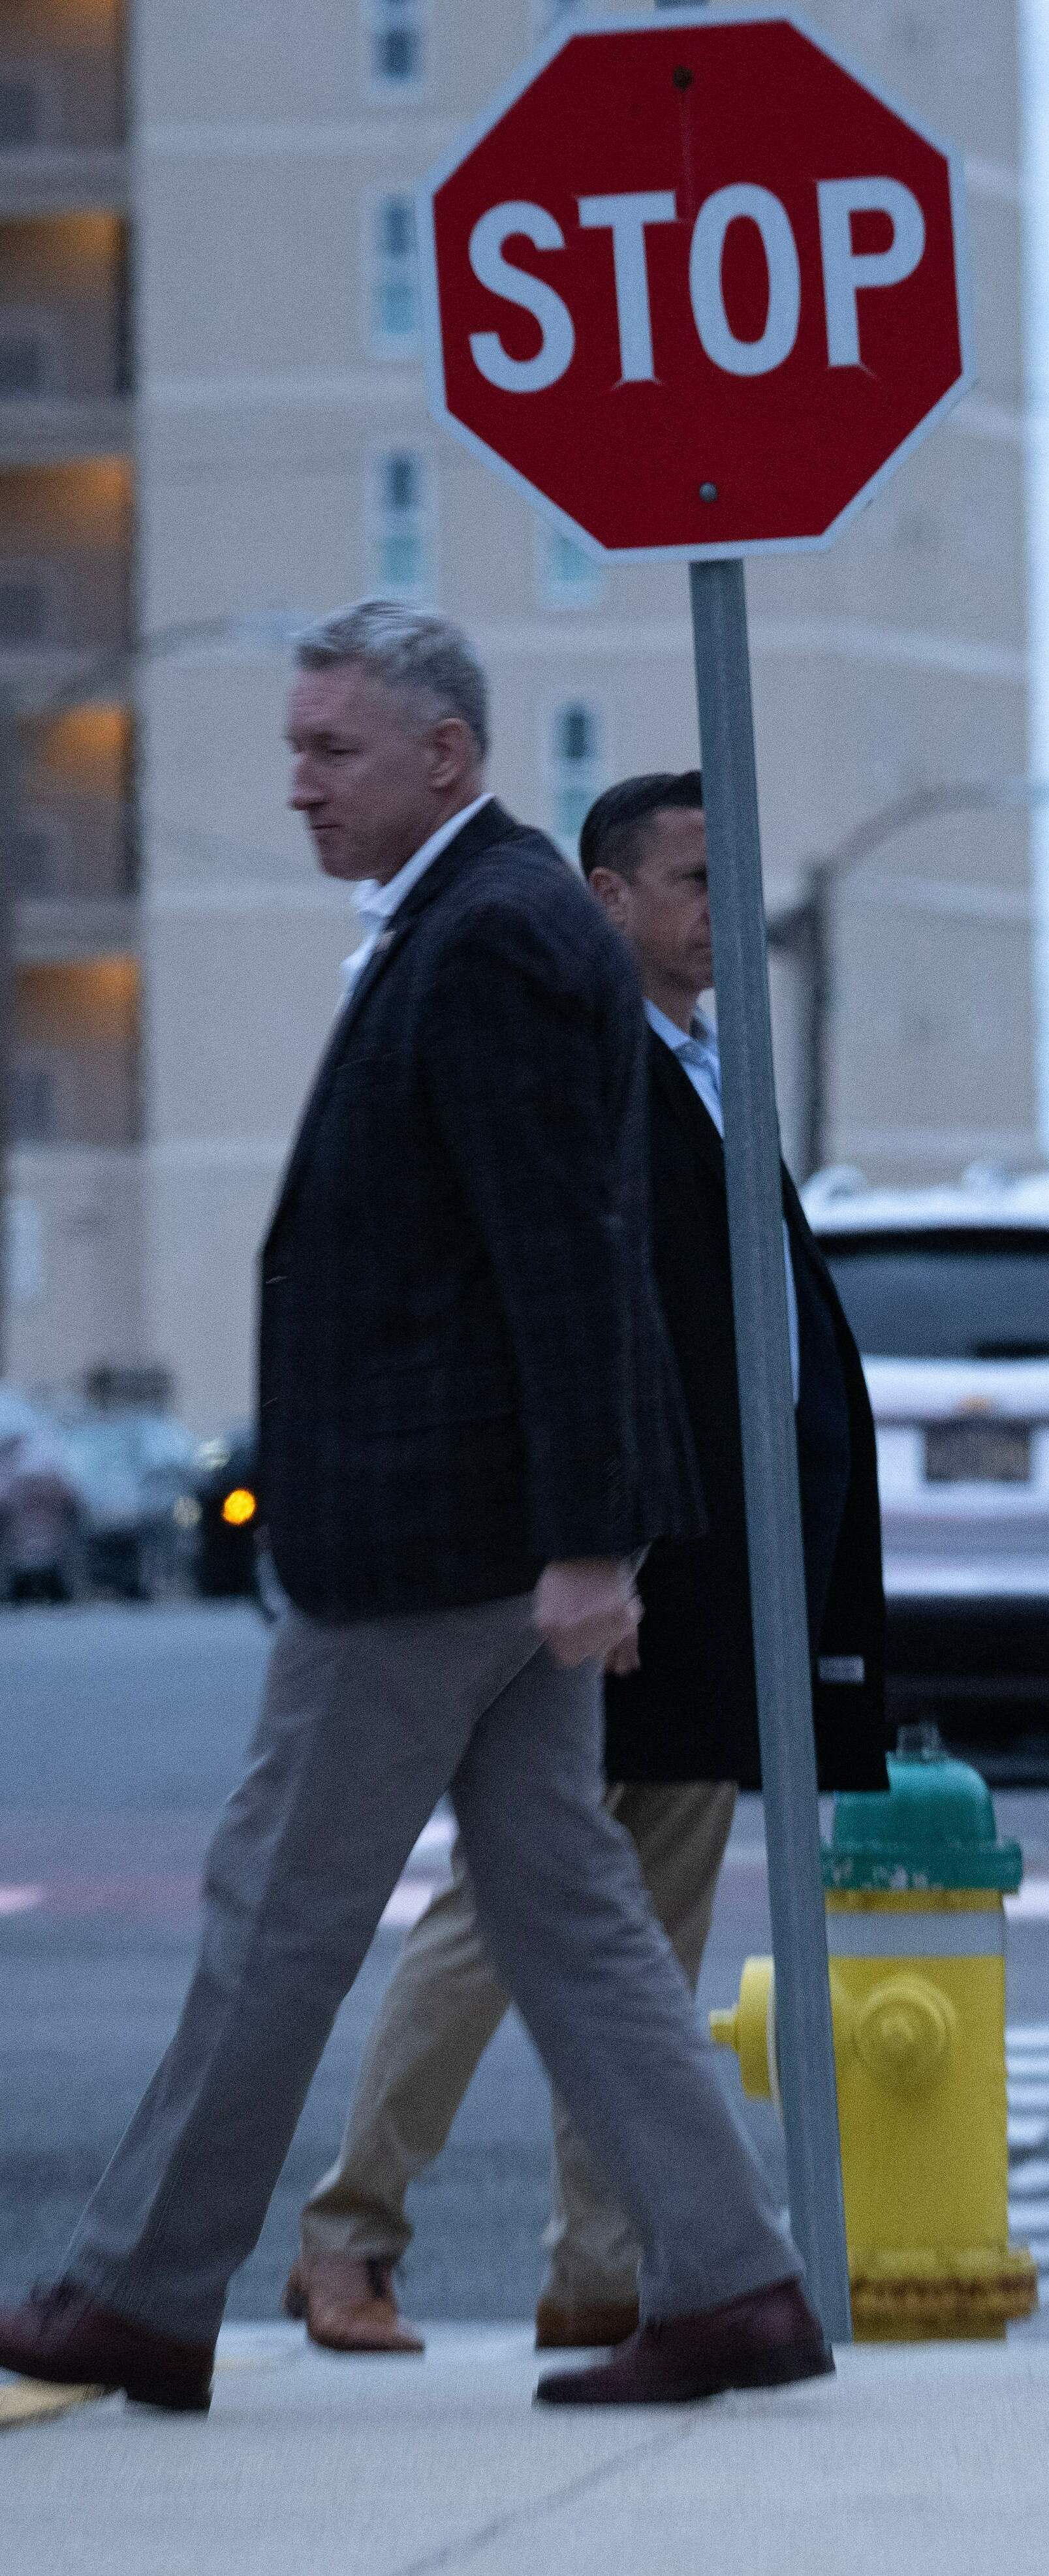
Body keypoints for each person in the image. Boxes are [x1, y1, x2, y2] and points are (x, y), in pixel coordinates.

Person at [0, 602, 828, 2415]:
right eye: (293, 748)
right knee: (568, 1910)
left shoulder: (495, 939)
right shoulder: (482, 922)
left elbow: (572, 1256)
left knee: (275, 1909)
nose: (296, 785)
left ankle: (139, 2288)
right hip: (484, 1538)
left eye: (331, 752)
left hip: (442, 1549)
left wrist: (596, 1536)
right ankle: (736, 2277)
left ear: (441, 756)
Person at [280, 769, 892, 2360]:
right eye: (690, 878)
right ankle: (349, 2236)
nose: (719, 910)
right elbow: (579, 1316)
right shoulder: (586, 1057)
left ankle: (604, 2267)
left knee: (645, 1934)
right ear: (604, 897)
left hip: (718, 1562)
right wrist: (594, 1546)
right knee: (511, 1910)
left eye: (728, 878)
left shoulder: (711, 1061)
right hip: (620, 1561)